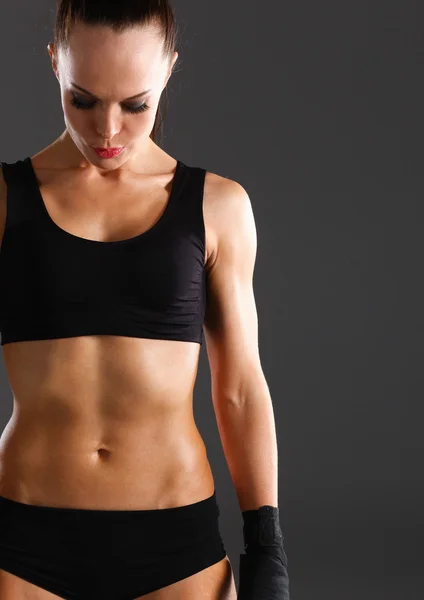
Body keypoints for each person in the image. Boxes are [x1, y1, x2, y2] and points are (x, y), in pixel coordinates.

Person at [0, 1, 289, 599]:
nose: (108, 130)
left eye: (136, 105)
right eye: (83, 99)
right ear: (55, 64)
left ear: (168, 73)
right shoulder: (4, 201)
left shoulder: (217, 207)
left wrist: (266, 544)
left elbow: (238, 386)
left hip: (175, 545)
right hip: (22, 541)